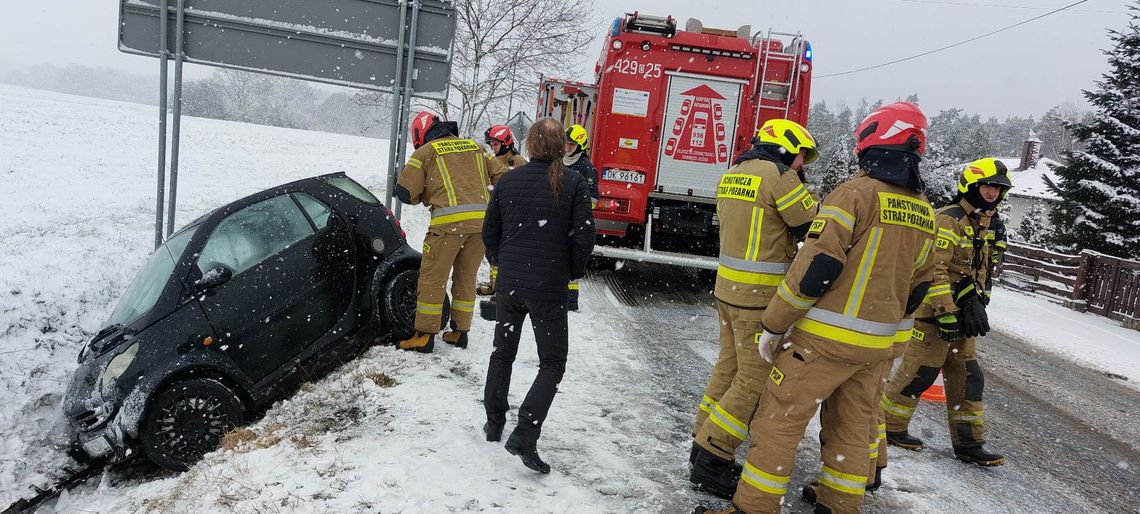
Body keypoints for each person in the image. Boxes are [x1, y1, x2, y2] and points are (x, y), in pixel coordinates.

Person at [695, 101, 937, 514]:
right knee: (852, 428)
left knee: (778, 419)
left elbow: (816, 267)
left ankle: (753, 506)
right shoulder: (925, 211)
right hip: (874, 348)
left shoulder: (852, 195)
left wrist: (775, 324)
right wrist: (892, 344)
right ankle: (838, 504)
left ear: (870, 144)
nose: (802, 164)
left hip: (819, 341)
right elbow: (919, 286)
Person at [689, 119, 820, 500]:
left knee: (728, 369)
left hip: (728, 291)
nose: (802, 164)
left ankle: (701, 439)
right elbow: (813, 228)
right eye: (801, 156)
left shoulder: (734, 173)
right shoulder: (779, 177)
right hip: (759, 298)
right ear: (786, 147)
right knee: (754, 381)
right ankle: (713, 456)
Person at [880, 157, 1012, 467]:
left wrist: (976, 304)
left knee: (968, 377)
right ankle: (888, 426)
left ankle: (969, 443)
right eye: (987, 186)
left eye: (997, 188)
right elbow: (933, 269)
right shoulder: (949, 220)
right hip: (933, 317)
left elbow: (980, 270)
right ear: (971, 186)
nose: (992, 193)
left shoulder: (985, 223)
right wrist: (945, 312)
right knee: (919, 373)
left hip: (964, 316)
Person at [481, 118, 596, 473]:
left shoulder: (509, 180)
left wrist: (502, 262)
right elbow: (584, 237)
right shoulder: (574, 183)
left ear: (530, 145)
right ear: (562, 147)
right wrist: (570, 271)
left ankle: (494, 422)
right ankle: (526, 433)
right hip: (549, 287)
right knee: (552, 362)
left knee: (503, 352)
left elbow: (489, 231)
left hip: (511, 285)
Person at [394, 111, 506, 352]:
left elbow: (405, 193)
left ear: (420, 135)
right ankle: (459, 331)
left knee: (432, 278)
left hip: (447, 227)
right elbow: (503, 177)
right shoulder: (476, 147)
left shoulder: (425, 152)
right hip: (480, 226)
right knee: (466, 276)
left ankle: (424, 336)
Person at [477, 124, 528, 299]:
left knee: (508, 252)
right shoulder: (490, 160)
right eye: (491, 144)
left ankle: (507, 287)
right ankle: (495, 284)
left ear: (506, 143)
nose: (493, 148)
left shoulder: (518, 162)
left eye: (496, 144)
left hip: (512, 215)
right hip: (494, 212)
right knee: (492, 249)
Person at [562, 124, 599, 311]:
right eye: (566, 143)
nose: (568, 147)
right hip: (559, 220)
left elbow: (592, 199)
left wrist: (576, 212)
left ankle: (570, 300)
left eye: (571, 144)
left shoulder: (586, 168)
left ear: (580, 146)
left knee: (571, 259)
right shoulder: (559, 162)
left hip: (575, 223)